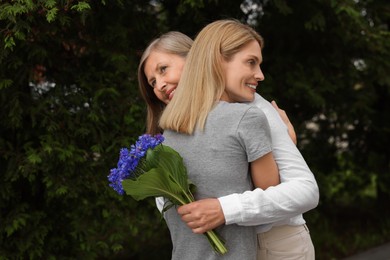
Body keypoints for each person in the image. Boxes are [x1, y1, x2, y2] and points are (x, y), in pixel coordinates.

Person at [138, 22, 318, 259]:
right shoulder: (170, 133)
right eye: (152, 82)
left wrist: (224, 209)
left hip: (275, 242)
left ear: (195, 59)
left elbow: (303, 190)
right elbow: (169, 206)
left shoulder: (253, 109)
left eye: (163, 69)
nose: (159, 85)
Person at [158, 19, 279, 260]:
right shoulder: (247, 117)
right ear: (217, 61)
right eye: (251, 62)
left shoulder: (167, 130)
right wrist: (285, 137)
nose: (260, 75)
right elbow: (272, 199)